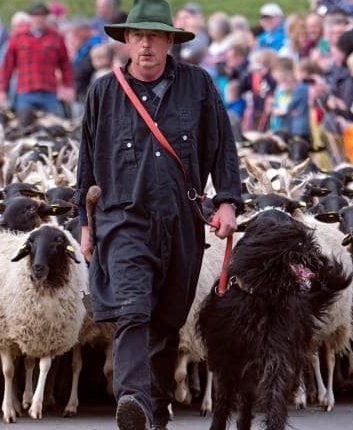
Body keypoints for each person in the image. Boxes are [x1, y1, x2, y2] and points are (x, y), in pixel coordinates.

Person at [75, 1, 241, 429]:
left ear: (170, 41)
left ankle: (155, 408)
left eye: (153, 36)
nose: (145, 45)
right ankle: (132, 399)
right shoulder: (104, 92)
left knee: (167, 320)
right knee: (133, 308)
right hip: (123, 219)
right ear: (126, 41)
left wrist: (227, 201)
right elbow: (87, 161)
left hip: (180, 218)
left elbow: (222, 144)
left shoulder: (198, 85)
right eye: (137, 36)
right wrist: (85, 223)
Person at [0, 3, 74, 116]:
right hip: (26, 91)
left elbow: (65, 65)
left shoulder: (56, 37)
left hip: (49, 91)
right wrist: (1, 91)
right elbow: (6, 66)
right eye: (36, 16)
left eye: (43, 16)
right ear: (30, 18)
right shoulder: (18, 37)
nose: (39, 19)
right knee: (25, 123)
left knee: (54, 123)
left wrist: (68, 87)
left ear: (47, 18)